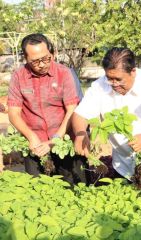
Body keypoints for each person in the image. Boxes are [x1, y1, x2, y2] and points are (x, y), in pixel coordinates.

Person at [72, 47, 141, 179]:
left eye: (119, 79)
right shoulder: (100, 86)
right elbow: (80, 114)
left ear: (133, 72)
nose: (114, 84)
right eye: (109, 78)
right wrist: (81, 134)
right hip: (122, 165)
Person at [7, 33, 88, 184]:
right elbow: (13, 113)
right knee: (39, 190)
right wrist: (31, 137)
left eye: (46, 58)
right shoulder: (18, 76)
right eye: (35, 61)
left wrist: (55, 140)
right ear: (26, 59)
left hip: (64, 141)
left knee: (74, 187)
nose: (42, 64)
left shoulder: (64, 73)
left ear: (53, 53)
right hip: (35, 145)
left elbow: (72, 110)